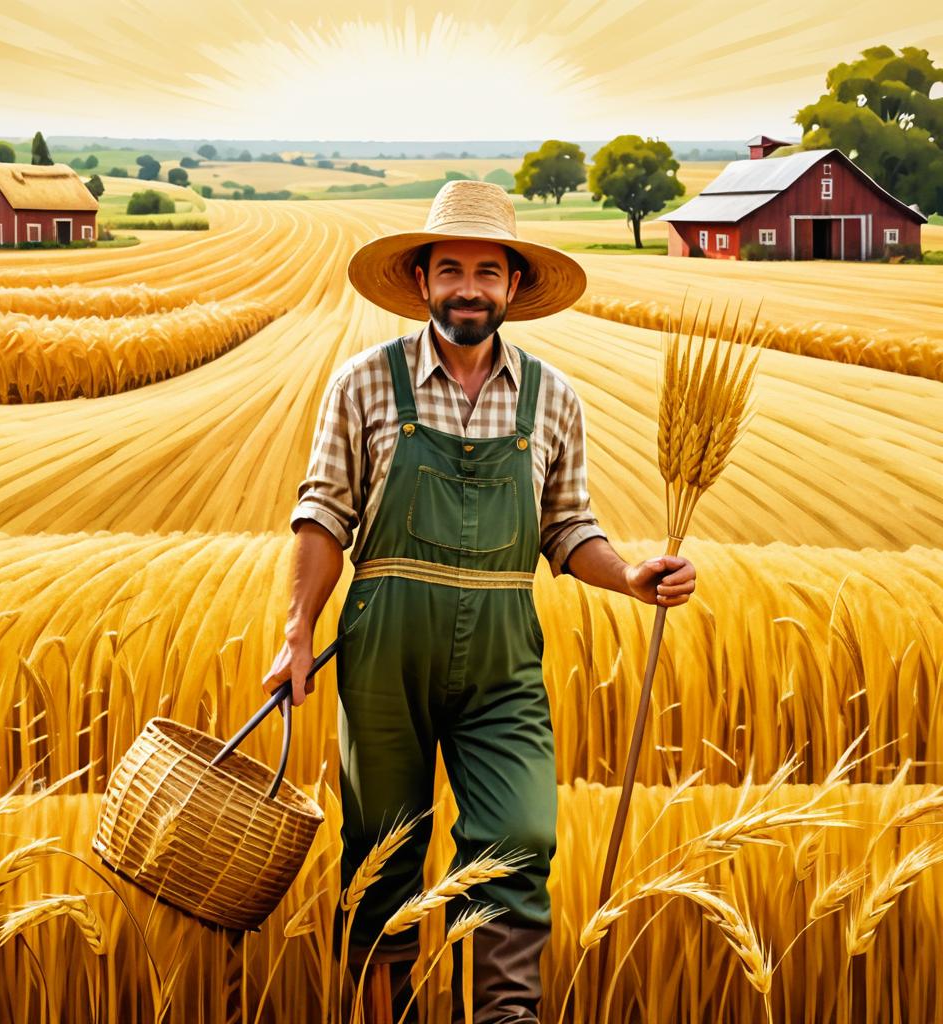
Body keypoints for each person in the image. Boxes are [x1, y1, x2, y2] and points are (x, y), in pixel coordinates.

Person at [262, 179, 697, 1023]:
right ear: (422, 282)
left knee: (522, 839)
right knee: (381, 857)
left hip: (504, 661)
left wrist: (632, 576)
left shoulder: (553, 398)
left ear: (512, 288)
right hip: (384, 653)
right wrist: (296, 631)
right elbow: (323, 514)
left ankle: (501, 1016)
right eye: (451, 269)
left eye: (487, 272)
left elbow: (569, 528)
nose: (469, 287)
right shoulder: (363, 384)